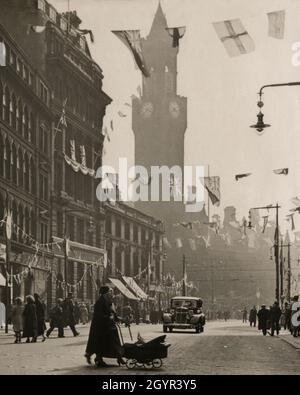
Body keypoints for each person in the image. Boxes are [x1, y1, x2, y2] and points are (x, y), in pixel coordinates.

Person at [84, 286, 125, 368]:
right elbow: (98, 315)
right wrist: (108, 317)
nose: (112, 293)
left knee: (112, 342)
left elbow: (112, 312)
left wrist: (119, 318)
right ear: (105, 293)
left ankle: (118, 357)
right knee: (100, 343)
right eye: (110, 292)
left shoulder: (109, 301)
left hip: (108, 326)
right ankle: (99, 358)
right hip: (100, 327)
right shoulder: (100, 302)